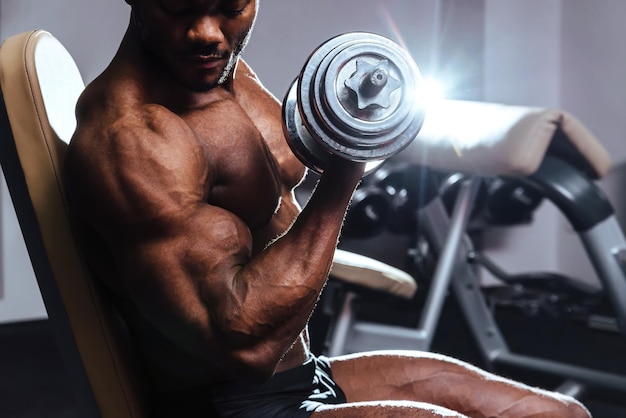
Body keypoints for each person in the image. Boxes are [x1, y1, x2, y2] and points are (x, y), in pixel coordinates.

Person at [63, 0, 591, 417]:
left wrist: (346, 120)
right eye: (178, 7)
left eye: (231, 7)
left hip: (304, 376)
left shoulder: (225, 74)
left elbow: (297, 156)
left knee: (559, 413)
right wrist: (347, 170)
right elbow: (243, 346)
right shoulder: (132, 140)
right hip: (226, 405)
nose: (207, 32)